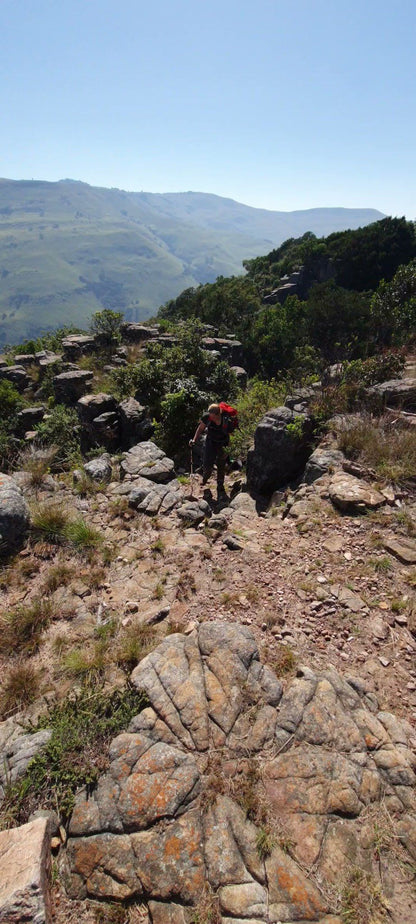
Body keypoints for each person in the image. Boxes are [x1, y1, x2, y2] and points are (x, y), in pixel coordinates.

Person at [189, 403, 229, 496]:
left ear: (218, 414)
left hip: (222, 443)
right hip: (210, 441)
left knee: (221, 464)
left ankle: (220, 485)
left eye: (213, 417)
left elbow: (231, 434)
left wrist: (228, 450)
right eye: (210, 416)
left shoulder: (226, 420)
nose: (211, 418)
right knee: (207, 463)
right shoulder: (207, 417)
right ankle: (205, 478)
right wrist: (194, 440)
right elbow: (200, 428)